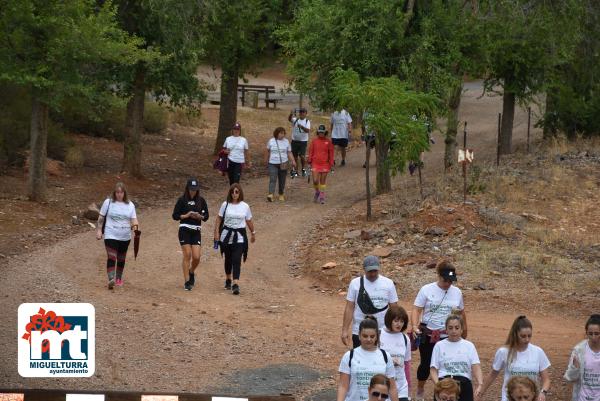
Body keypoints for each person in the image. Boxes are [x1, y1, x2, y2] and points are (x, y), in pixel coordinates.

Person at [411, 260, 467, 401]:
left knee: (446, 364)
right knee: (426, 363)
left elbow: (461, 312)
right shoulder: (426, 289)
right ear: (438, 276)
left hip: (448, 335)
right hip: (429, 334)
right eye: (446, 280)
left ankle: (445, 394)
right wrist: (414, 326)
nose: (448, 283)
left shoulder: (457, 293)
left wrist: (465, 329)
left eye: (451, 280)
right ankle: (420, 388)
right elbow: (417, 309)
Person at [476, 316, 551, 401]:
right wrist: (480, 394)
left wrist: (543, 392)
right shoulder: (504, 352)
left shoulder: (538, 352)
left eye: (529, 336)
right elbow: (492, 375)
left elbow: (546, 379)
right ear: (515, 334)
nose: (527, 339)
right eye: (523, 336)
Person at [341, 255, 399, 349]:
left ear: (379, 269)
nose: (372, 274)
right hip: (360, 330)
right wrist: (345, 330)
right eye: (369, 271)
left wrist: (395, 328)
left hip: (382, 330)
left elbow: (394, 308)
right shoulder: (355, 283)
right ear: (364, 269)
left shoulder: (388, 283)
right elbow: (349, 307)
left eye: (375, 271)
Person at [337, 316, 398, 401]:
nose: (369, 339)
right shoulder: (349, 356)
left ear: (377, 336)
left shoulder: (385, 356)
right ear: (359, 336)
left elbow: (392, 387)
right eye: (365, 336)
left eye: (372, 336)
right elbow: (343, 386)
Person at [213, 183, 255, 295]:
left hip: (240, 236)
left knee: (237, 259)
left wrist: (253, 232)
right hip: (226, 235)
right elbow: (219, 218)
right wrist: (216, 232)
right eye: (232, 192)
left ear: (240, 193)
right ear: (230, 193)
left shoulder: (245, 206)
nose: (234, 194)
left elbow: (249, 220)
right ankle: (228, 278)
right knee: (228, 258)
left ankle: (235, 283)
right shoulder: (225, 204)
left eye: (237, 192)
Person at [96, 182, 138, 289]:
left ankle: (118, 277)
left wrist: (136, 229)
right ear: (114, 193)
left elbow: (134, 220)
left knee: (121, 258)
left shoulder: (130, 205)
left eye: (121, 192)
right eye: (117, 192)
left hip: (125, 236)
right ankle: (111, 279)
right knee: (112, 256)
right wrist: (99, 230)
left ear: (124, 193)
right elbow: (101, 218)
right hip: (111, 234)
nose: (119, 194)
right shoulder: (108, 202)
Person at [430, 314, 482, 401]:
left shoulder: (469, 346)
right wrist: (438, 385)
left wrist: (480, 383)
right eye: (450, 328)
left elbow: (476, 366)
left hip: (464, 384)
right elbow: (433, 369)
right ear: (446, 330)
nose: (454, 331)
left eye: (457, 328)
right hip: (444, 384)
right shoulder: (439, 345)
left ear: (462, 329)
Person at [171, 177, 209, 291]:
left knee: (197, 257)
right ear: (187, 188)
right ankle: (187, 281)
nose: (193, 191)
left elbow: (206, 216)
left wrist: (200, 216)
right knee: (187, 254)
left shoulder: (201, 201)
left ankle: (191, 271)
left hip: (196, 230)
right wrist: (186, 215)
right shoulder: (182, 200)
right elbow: (175, 216)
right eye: (191, 189)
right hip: (184, 229)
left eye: (195, 189)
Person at [379, 305, 412, 401]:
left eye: (402, 321)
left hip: (401, 387)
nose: (399, 324)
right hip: (382, 386)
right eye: (396, 321)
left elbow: (407, 365)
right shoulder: (379, 335)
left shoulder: (405, 339)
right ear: (389, 320)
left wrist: (409, 388)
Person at [564, 313, 600, 401]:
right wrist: (575, 368)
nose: (593, 337)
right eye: (590, 334)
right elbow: (570, 377)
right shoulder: (579, 351)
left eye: (597, 333)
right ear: (586, 332)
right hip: (582, 398)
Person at [264, 126, 296, 202]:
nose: (282, 135)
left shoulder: (286, 141)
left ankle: (281, 194)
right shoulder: (271, 141)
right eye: (281, 133)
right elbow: (267, 151)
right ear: (276, 133)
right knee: (273, 179)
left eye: (283, 133)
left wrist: (293, 161)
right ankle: (271, 194)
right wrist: (265, 160)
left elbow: (289, 152)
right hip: (272, 163)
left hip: (283, 163)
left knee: (282, 180)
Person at [307, 124, 334, 204]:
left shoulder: (328, 142)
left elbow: (331, 153)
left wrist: (331, 162)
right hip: (315, 163)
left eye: (322, 132)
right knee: (315, 181)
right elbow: (311, 151)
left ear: (325, 133)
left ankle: (322, 196)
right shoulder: (314, 141)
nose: (321, 134)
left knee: (322, 181)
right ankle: (317, 192)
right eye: (319, 132)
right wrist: (309, 161)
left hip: (325, 164)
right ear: (318, 132)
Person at [288, 107, 311, 177]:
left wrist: (301, 127)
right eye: (300, 112)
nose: (301, 113)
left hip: (303, 142)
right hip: (294, 141)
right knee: (295, 157)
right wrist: (291, 114)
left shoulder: (307, 121)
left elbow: (308, 131)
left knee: (302, 156)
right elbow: (289, 119)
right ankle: (296, 171)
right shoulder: (295, 119)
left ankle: (303, 169)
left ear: (306, 113)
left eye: (303, 112)